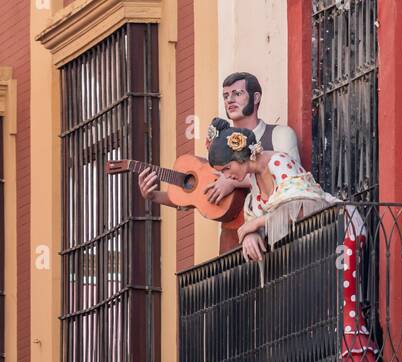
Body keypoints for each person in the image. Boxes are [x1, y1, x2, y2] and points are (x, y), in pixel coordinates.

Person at [138, 71, 300, 214]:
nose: (230, 100)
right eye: (226, 96)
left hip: (276, 231)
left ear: (256, 97)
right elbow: (197, 195)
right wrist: (153, 196)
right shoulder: (220, 146)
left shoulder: (279, 134)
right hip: (234, 236)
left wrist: (232, 182)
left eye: (237, 93)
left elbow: (293, 179)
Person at [207, 126, 337, 263]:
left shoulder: (278, 162)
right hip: (318, 248)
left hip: (339, 234)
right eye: (222, 172)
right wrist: (251, 235)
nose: (227, 176)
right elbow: (260, 219)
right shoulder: (254, 179)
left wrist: (257, 223)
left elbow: (306, 208)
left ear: (240, 156)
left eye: (227, 168)